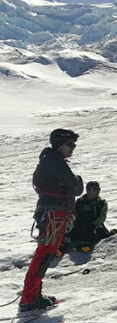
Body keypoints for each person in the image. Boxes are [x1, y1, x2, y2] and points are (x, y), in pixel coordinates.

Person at [20, 129, 83, 311]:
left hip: (52, 213)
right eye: (69, 144)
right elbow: (76, 187)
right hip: (54, 214)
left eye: (74, 144)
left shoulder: (50, 160)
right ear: (59, 144)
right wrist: (77, 180)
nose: (73, 148)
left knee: (45, 252)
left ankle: (32, 295)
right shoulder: (54, 161)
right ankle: (30, 298)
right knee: (45, 253)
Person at [64, 181, 117, 252]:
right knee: (70, 231)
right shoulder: (80, 201)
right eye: (89, 189)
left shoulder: (101, 203)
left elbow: (102, 217)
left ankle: (87, 243)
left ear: (98, 190)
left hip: (94, 225)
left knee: (93, 232)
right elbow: (74, 213)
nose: (91, 191)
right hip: (80, 224)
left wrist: (93, 224)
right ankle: (63, 245)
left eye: (94, 189)